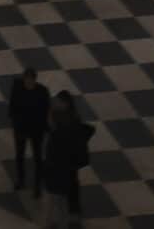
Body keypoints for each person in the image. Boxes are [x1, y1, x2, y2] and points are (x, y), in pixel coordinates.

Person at [44, 90, 96, 226]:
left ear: (65, 104)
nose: (55, 103)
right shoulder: (63, 117)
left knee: (57, 195)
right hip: (61, 163)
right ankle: (58, 220)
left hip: (61, 163)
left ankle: (55, 221)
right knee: (59, 194)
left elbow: (58, 138)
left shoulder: (67, 122)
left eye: (58, 102)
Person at [7, 68, 50, 196]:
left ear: (35, 80)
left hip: (36, 130)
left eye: (31, 81)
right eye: (27, 80)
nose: (28, 83)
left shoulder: (42, 91)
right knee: (19, 155)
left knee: (37, 158)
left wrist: (45, 126)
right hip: (21, 128)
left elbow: (46, 110)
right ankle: (21, 180)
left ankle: (37, 186)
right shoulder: (17, 87)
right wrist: (15, 121)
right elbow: (12, 106)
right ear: (24, 79)